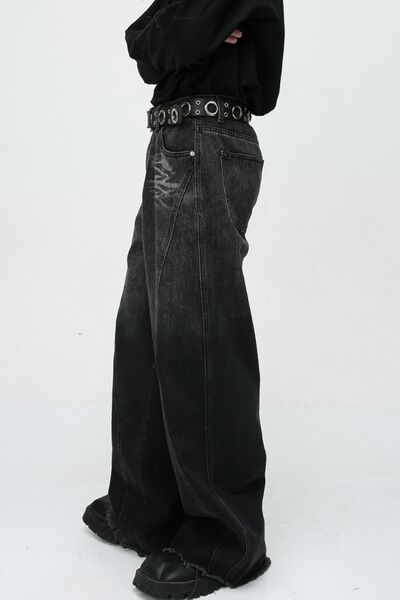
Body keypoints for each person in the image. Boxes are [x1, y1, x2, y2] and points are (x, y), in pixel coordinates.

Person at [82, 0, 285, 597]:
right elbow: (143, 43)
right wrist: (181, 34)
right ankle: (143, 509)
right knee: (142, 329)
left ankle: (225, 537)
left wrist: (175, 35)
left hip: (208, 139)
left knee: (196, 329)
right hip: (174, 140)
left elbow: (172, 44)